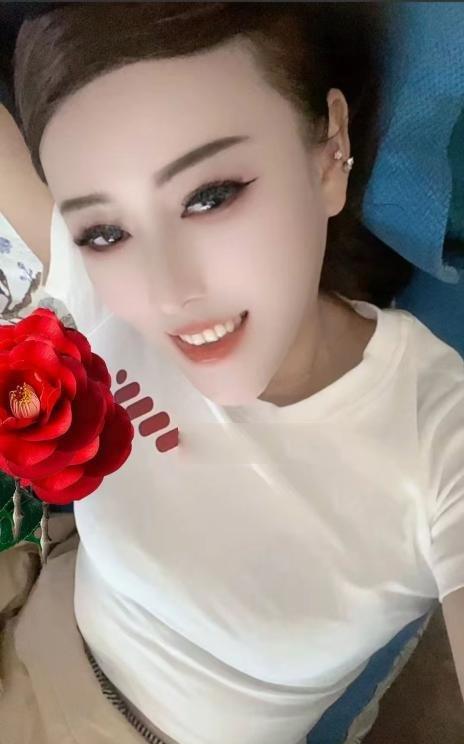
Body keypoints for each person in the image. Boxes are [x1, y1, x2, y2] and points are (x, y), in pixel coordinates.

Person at [1, 3, 463, 743]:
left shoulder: (438, 433)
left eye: (209, 196)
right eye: (106, 231)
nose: (167, 293)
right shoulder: (111, 306)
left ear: (330, 151)